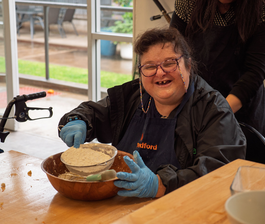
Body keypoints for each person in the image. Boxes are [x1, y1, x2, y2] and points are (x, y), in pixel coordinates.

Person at [58, 27, 246, 198]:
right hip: (121, 205)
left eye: (170, 63)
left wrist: (160, 184)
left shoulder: (213, 110)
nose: (160, 72)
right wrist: (78, 120)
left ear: (188, 65)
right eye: (149, 67)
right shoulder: (132, 96)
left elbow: (218, 174)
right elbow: (92, 112)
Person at [170, 0, 265, 142]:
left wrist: (219, 114)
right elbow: (173, 53)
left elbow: (255, 71)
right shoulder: (188, 3)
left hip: (242, 107)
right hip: (196, 103)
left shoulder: (260, 8)